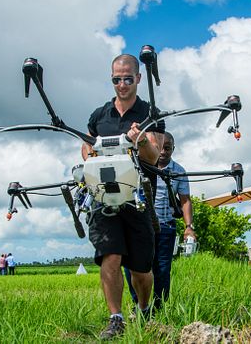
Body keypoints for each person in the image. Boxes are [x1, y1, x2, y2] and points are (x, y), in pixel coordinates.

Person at [81, 53, 165, 340]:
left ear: (139, 78)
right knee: (110, 256)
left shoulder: (150, 114)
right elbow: (85, 146)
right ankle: (115, 318)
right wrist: (90, 156)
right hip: (104, 198)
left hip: (138, 199)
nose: (122, 85)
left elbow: (156, 157)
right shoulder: (99, 115)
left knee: (141, 269)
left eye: (128, 79)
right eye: (117, 80)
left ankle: (143, 309)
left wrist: (141, 140)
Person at [123, 132, 194, 311]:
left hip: (165, 227)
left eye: (167, 148)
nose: (163, 151)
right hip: (138, 226)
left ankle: (159, 307)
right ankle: (139, 305)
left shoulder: (178, 171)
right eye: (160, 147)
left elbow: (185, 200)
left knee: (162, 270)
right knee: (133, 267)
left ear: (173, 149)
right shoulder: (138, 165)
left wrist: (188, 227)